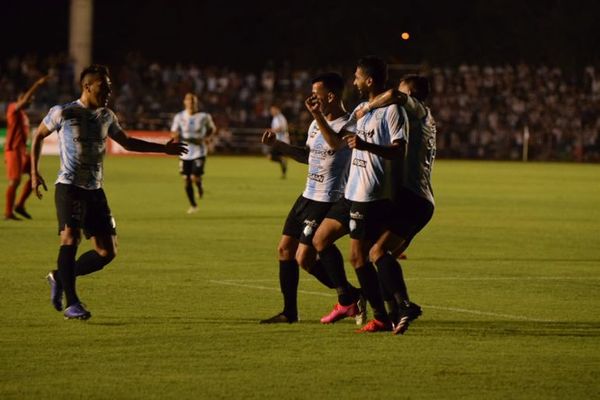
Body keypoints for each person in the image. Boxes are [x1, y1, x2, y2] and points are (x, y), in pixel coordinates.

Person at [31, 64, 187, 320]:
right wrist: (34, 172)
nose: (108, 92)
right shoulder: (64, 112)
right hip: (69, 186)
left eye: (110, 88)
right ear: (87, 86)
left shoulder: (107, 116)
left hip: (95, 189)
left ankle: (59, 276)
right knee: (70, 238)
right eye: (104, 87)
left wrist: (164, 149)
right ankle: (72, 303)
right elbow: (37, 136)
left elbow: (127, 142)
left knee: (107, 252)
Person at [259, 72, 365, 324]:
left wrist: (317, 116)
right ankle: (290, 312)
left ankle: (350, 297)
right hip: (307, 195)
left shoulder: (348, 124)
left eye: (315, 95)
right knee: (285, 250)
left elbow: (335, 145)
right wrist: (279, 145)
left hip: (328, 198)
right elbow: (307, 155)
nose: (311, 99)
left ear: (330, 96)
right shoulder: (314, 124)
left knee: (305, 257)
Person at [312, 56, 408, 333]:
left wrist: (366, 146)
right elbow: (338, 142)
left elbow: (398, 150)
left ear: (369, 80)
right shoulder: (362, 109)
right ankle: (351, 297)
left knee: (358, 257)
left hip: (369, 193)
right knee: (321, 239)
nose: (352, 81)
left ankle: (381, 315)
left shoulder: (392, 111)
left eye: (356, 76)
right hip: (351, 191)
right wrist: (319, 117)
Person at [357, 74, 437, 334]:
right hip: (419, 199)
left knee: (377, 252)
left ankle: (405, 306)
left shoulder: (417, 109)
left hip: (413, 198)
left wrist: (368, 108)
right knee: (379, 255)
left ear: (411, 93)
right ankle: (391, 315)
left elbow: (392, 95)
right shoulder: (424, 118)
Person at [4, 75, 49, 220]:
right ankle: (8, 212)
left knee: (36, 175)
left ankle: (20, 205)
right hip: (13, 151)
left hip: (22, 152)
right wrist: (37, 84)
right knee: (15, 181)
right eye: (29, 99)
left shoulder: (24, 116)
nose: (31, 101)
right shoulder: (13, 109)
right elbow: (23, 101)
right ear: (21, 98)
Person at [170, 92, 216, 214]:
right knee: (186, 180)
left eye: (193, 101)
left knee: (195, 176)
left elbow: (212, 129)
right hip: (184, 151)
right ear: (185, 102)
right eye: (188, 101)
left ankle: (199, 186)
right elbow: (173, 132)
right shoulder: (179, 117)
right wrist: (176, 135)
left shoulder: (204, 116)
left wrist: (207, 137)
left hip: (199, 151)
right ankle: (193, 205)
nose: (190, 103)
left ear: (196, 103)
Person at [266, 105, 290, 178]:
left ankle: (283, 166)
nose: (271, 112)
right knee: (275, 157)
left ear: (277, 109)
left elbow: (281, 128)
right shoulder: (276, 118)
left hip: (281, 140)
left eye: (272, 110)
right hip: (278, 140)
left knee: (270, 156)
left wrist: (271, 131)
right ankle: (283, 170)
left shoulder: (280, 117)